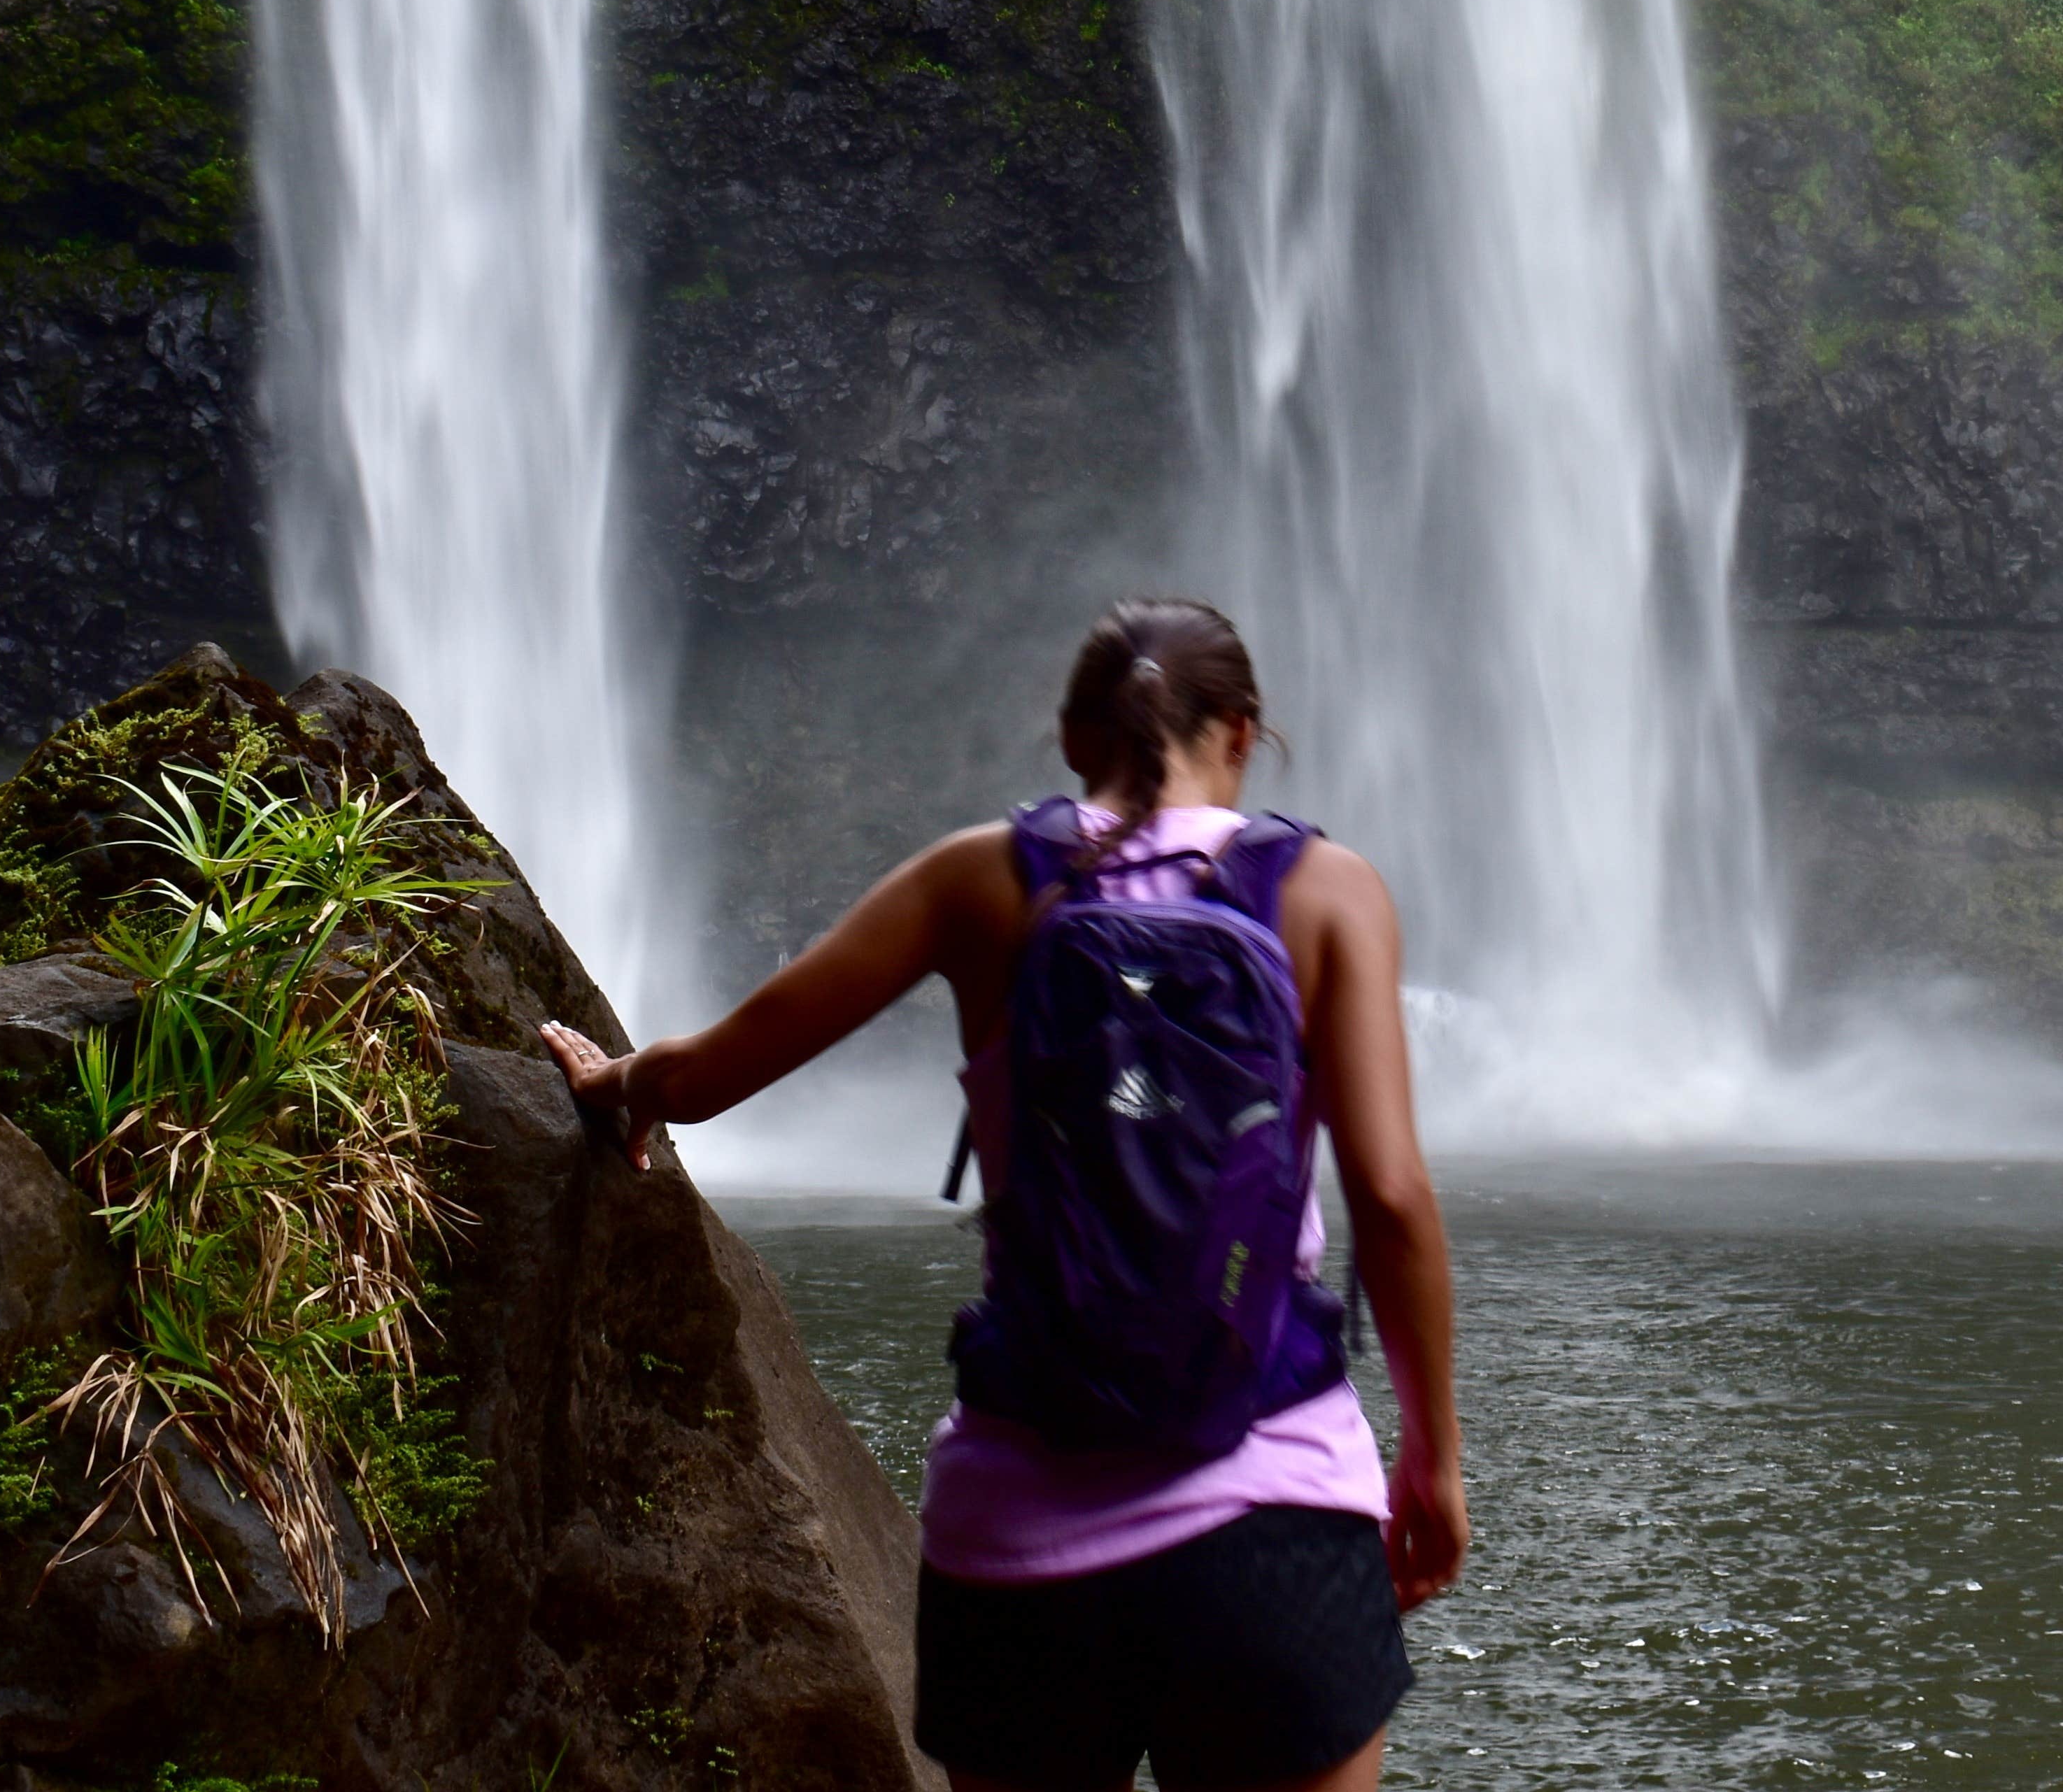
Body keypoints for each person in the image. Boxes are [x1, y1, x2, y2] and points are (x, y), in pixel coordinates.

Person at [542, 596, 1466, 1792]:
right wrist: (1432, 1459)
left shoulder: (978, 881)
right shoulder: (1330, 894)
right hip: (1277, 1524)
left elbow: (716, 1074)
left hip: (1026, 1545)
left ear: (1076, 738)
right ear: (1242, 734)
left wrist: (619, 1080)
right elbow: (1391, 1199)